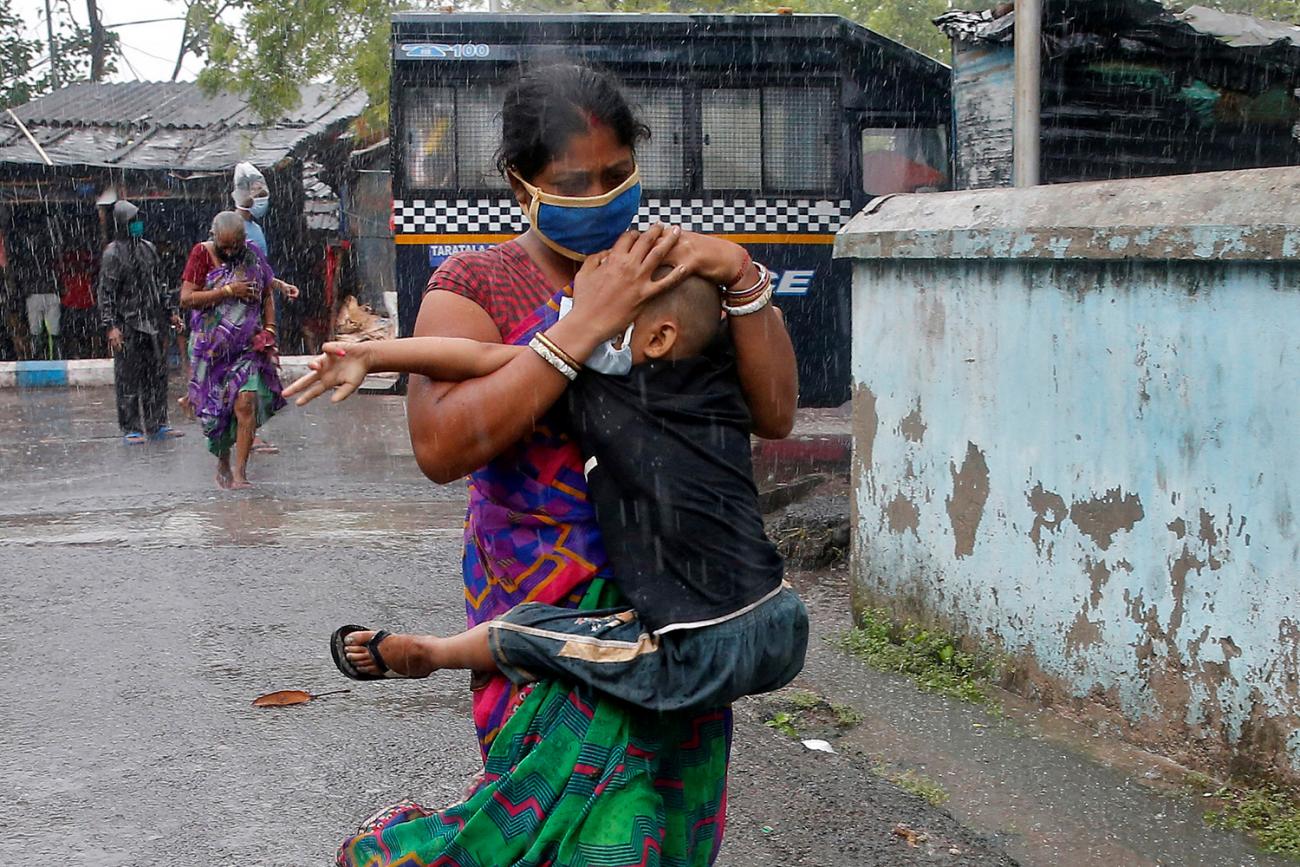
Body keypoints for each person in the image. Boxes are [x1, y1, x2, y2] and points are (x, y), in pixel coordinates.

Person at [319, 63, 798, 867]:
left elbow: (774, 410)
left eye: (618, 176)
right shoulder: (474, 283)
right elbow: (441, 446)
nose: (605, 196)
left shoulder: (662, 270)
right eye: (577, 182)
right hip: (540, 609)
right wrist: (583, 329)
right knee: (562, 836)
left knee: (658, 834)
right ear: (521, 184)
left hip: (675, 608)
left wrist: (745, 280)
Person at [180, 211, 284, 489]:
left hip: (246, 347)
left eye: (234, 246)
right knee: (216, 413)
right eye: (224, 247)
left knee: (246, 401)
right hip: (210, 349)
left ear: (243, 240)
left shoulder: (251, 255)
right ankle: (223, 459)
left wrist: (270, 328)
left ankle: (241, 473)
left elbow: (266, 292)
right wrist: (228, 291)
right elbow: (187, 298)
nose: (229, 252)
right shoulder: (200, 254)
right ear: (214, 238)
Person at [98, 201, 183, 444]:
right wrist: (111, 326)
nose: (138, 225)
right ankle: (131, 427)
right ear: (123, 224)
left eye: (139, 220)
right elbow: (106, 293)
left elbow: (160, 284)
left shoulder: (148, 249)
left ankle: (157, 422)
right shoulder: (113, 253)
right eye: (133, 221)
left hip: (152, 322)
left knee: (156, 375)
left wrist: (171, 312)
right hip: (127, 323)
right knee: (128, 377)